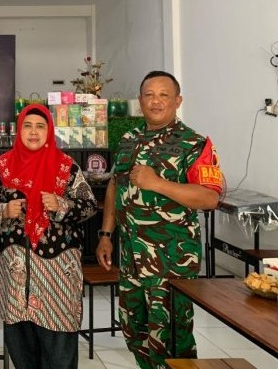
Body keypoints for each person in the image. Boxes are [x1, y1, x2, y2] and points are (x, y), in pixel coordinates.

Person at [96, 70, 224, 369]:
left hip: (172, 261)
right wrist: (105, 234)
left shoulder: (194, 143)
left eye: (164, 95)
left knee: (172, 338)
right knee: (134, 330)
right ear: (140, 100)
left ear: (177, 101)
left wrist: (157, 184)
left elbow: (210, 198)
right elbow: (115, 185)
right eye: (149, 95)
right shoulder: (128, 139)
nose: (155, 101)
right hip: (131, 257)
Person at [0, 104, 97, 369]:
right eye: (27, 126)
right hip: (16, 276)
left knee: (58, 351)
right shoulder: (3, 165)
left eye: (40, 126)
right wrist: (3, 210)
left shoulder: (66, 166)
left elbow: (89, 205)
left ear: (49, 131)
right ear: (19, 130)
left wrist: (61, 205)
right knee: (22, 349)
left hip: (57, 277)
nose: (33, 132)